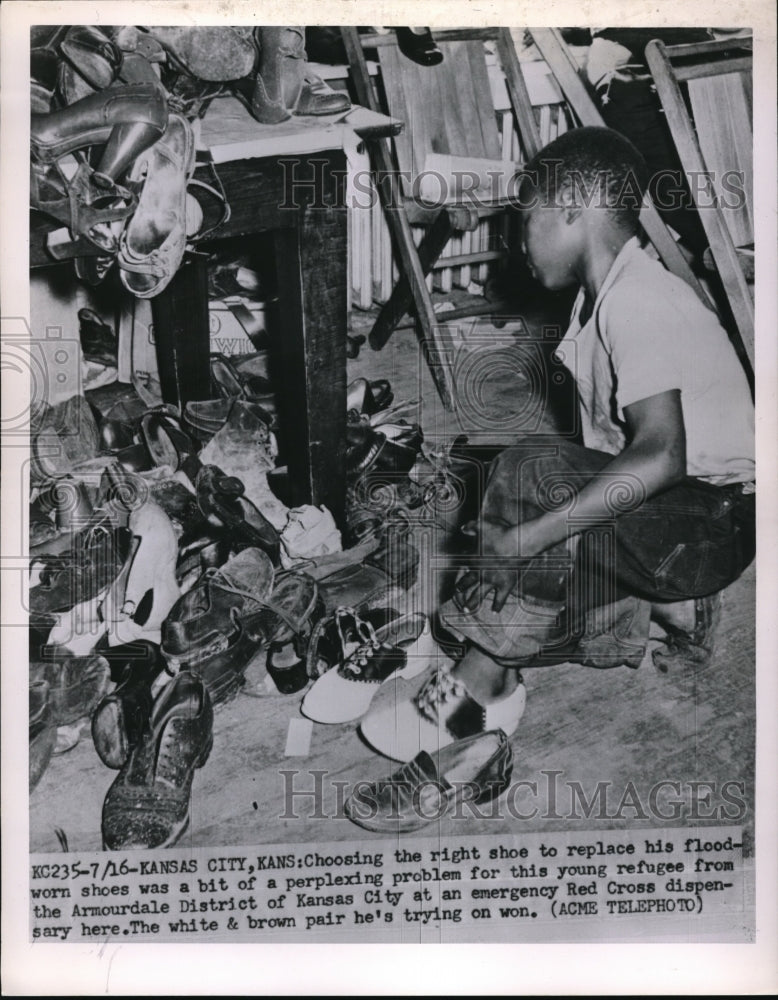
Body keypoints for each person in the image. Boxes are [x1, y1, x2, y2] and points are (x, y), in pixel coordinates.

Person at [361, 126, 756, 762]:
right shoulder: (598, 302)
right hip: (680, 520)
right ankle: (667, 611)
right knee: (518, 506)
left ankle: (481, 682)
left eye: (526, 219)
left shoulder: (640, 301)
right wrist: (533, 541)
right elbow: (601, 466)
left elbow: (660, 455)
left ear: (573, 205)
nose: (518, 242)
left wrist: (526, 538)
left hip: (713, 519)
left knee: (529, 475)